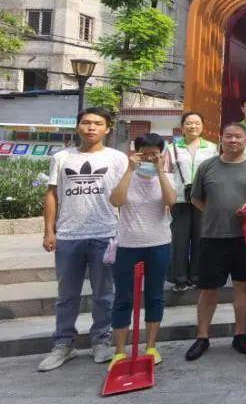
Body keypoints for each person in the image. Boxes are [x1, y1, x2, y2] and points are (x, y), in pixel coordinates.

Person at [38, 107, 129, 372]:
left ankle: (101, 340)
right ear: (78, 126)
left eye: (97, 124)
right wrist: (49, 231)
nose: (91, 128)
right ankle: (64, 344)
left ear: (107, 128)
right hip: (68, 236)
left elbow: (126, 196)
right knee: (67, 295)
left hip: (106, 234)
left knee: (104, 294)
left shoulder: (118, 158)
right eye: (86, 123)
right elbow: (52, 195)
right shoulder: (62, 157)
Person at [185, 123, 246, 361]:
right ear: (220, 139)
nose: (233, 140)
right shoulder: (207, 167)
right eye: (228, 137)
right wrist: (215, 212)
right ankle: (202, 336)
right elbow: (196, 199)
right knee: (208, 288)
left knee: (242, 284)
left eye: (238, 137)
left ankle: (240, 333)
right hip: (213, 236)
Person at [107, 133, 176, 369]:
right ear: (136, 152)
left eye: (154, 153)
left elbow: (171, 200)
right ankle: (119, 351)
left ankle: (151, 346)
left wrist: (159, 171)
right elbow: (115, 201)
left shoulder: (166, 176)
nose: (149, 157)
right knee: (123, 297)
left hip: (158, 243)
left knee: (155, 295)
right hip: (128, 244)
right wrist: (129, 170)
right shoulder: (124, 175)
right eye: (144, 152)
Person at [164, 111, 218, 292]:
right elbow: (166, 174)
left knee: (200, 239)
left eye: (196, 123)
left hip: (203, 200)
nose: (192, 126)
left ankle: (196, 276)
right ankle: (179, 278)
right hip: (179, 200)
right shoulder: (171, 148)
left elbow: (215, 175)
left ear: (202, 126)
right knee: (179, 240)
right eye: (188, 123)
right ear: (182, 126)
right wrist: (166, 199)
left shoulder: (212, 148)